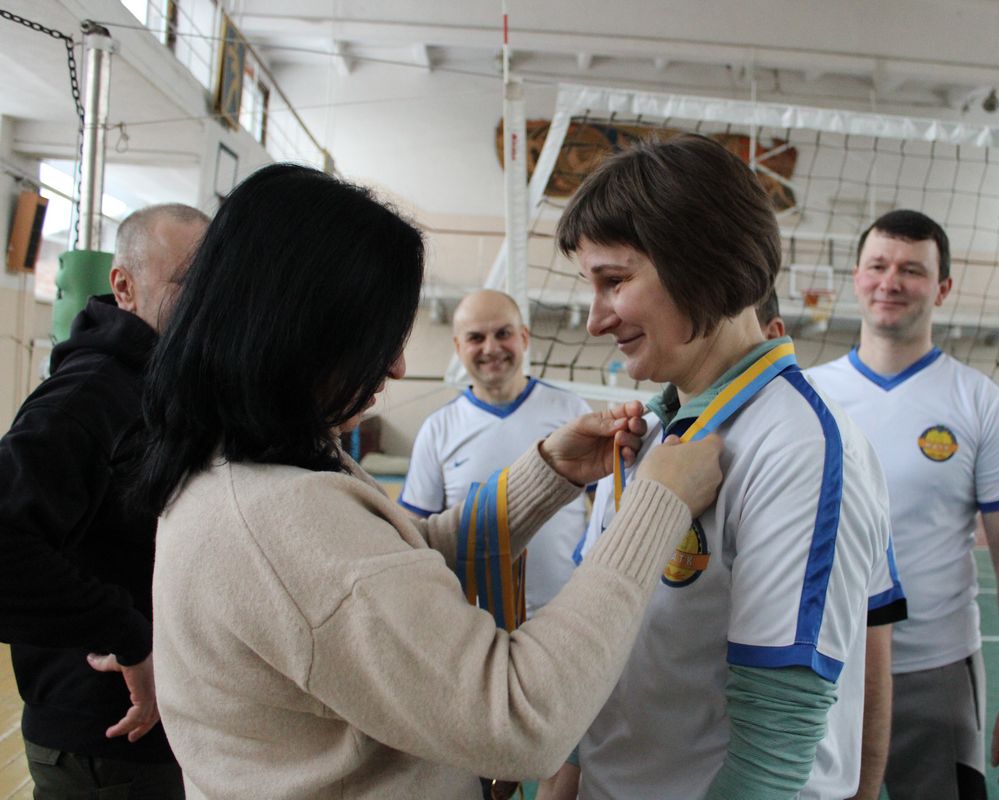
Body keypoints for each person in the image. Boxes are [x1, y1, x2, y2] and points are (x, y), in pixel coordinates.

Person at [135, 163, 724, 799]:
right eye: (377, 339)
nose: (395, 366)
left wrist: (548, 475)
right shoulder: (277, 517)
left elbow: (392, 567)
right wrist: (655, 507)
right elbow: (519, 717)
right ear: (302, 331)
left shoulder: (245, 468)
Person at [555, 134, 896, 800]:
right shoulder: (652, 434)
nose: (595, 320)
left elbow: (772, 755)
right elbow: (605, 658)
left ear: (699, 265)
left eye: (614, 282)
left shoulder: (797, 447)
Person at [806, 209, 999, 798]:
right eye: (878, 266)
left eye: (911, 270)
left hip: (935, 669)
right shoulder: (809, 395)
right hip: (822, 667)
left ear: (942, 288)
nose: (890, 282)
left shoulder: (978, 402)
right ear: (856, 278)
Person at [0, 203, 209, 798]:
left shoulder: (166, 389)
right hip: (105, 741)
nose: (205, 300)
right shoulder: (88, 394)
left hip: (167, 729)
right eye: (186, 282)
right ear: (123, 286)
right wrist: (127, 632)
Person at [756, 290, 906, 800]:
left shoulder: (833, 451)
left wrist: (865, 790)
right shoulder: (640, 438)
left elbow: (874, 649)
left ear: (774, 336)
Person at [401, 288, 593, 618]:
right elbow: (414, 533)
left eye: (503, 334)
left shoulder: (571, 411)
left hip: (566, 614)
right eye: (476, 337)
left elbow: (608, 509)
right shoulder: (438, 429)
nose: (491, 348)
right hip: (474, 622)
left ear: (524, 337)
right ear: (458, 347)